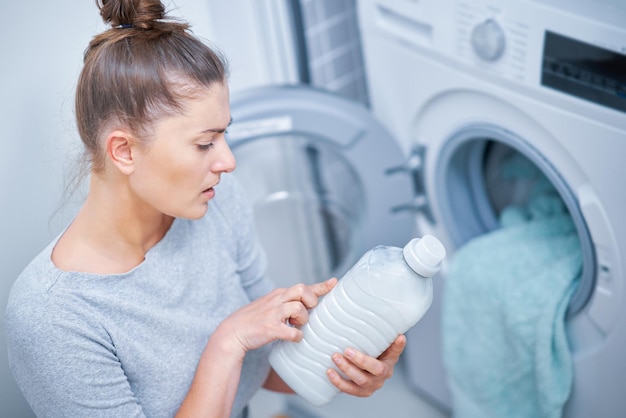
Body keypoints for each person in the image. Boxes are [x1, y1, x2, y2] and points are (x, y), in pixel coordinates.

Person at [4, 0, 406, 417]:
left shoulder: (216, 201)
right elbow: (237, 347)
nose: (228, 162)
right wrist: (227, 342)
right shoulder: (53, 318)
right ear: (123, 151)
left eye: (224, 136)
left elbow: (261, 365)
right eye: (204, 143)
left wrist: (341, 363)